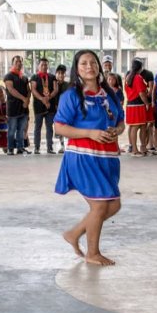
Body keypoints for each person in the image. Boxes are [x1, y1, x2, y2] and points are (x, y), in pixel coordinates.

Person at [55, 50, 125, 266]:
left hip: (107, 157)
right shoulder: (72, 95)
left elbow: (121, 121)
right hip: (83, 157)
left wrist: (116, 130)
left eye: (92, 62)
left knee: (113, 206)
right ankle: (93, 252)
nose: (89, 66)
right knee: (100, 206)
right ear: (77, 68)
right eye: (84, 63)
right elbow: (59, 127)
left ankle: (74, 234)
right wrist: (90, 133)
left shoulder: (109, 93)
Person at [122, 59, 153, 156]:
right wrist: (147, 103)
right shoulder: (138, 78)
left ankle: (138, 148)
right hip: (138, 104)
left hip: (130, 104)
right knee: (136, 127)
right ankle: (135, 150)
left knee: (133, 126)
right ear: (140, 67)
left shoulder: (128, 77)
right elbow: (141, 93)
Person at [4, 56, 31, 155]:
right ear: (12, 63)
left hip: (24, 108)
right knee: (11, 130)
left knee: (21, 130)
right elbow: (11, 90)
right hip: (13, 108)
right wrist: (23, 99)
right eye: (16, 61)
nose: (19, 63)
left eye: (20, 62)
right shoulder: (8, 76)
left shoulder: (24, 77)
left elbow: (29, 90)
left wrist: (27, 100)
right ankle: (10, 148)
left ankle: (20, 148)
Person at [31, 58, 58, 154]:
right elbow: (33, 90)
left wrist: (49, 97)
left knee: (49, 127)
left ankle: (49, 147)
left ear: (48, 66)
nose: (44, 66)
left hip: (50, 106)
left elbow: (55, 89)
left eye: (46, 65)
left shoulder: (52, 77)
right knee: (37, 127)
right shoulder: (34, 77)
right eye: (42, 65)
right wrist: (42, 99)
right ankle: (36, 147)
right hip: (38, 106)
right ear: (38, 66)